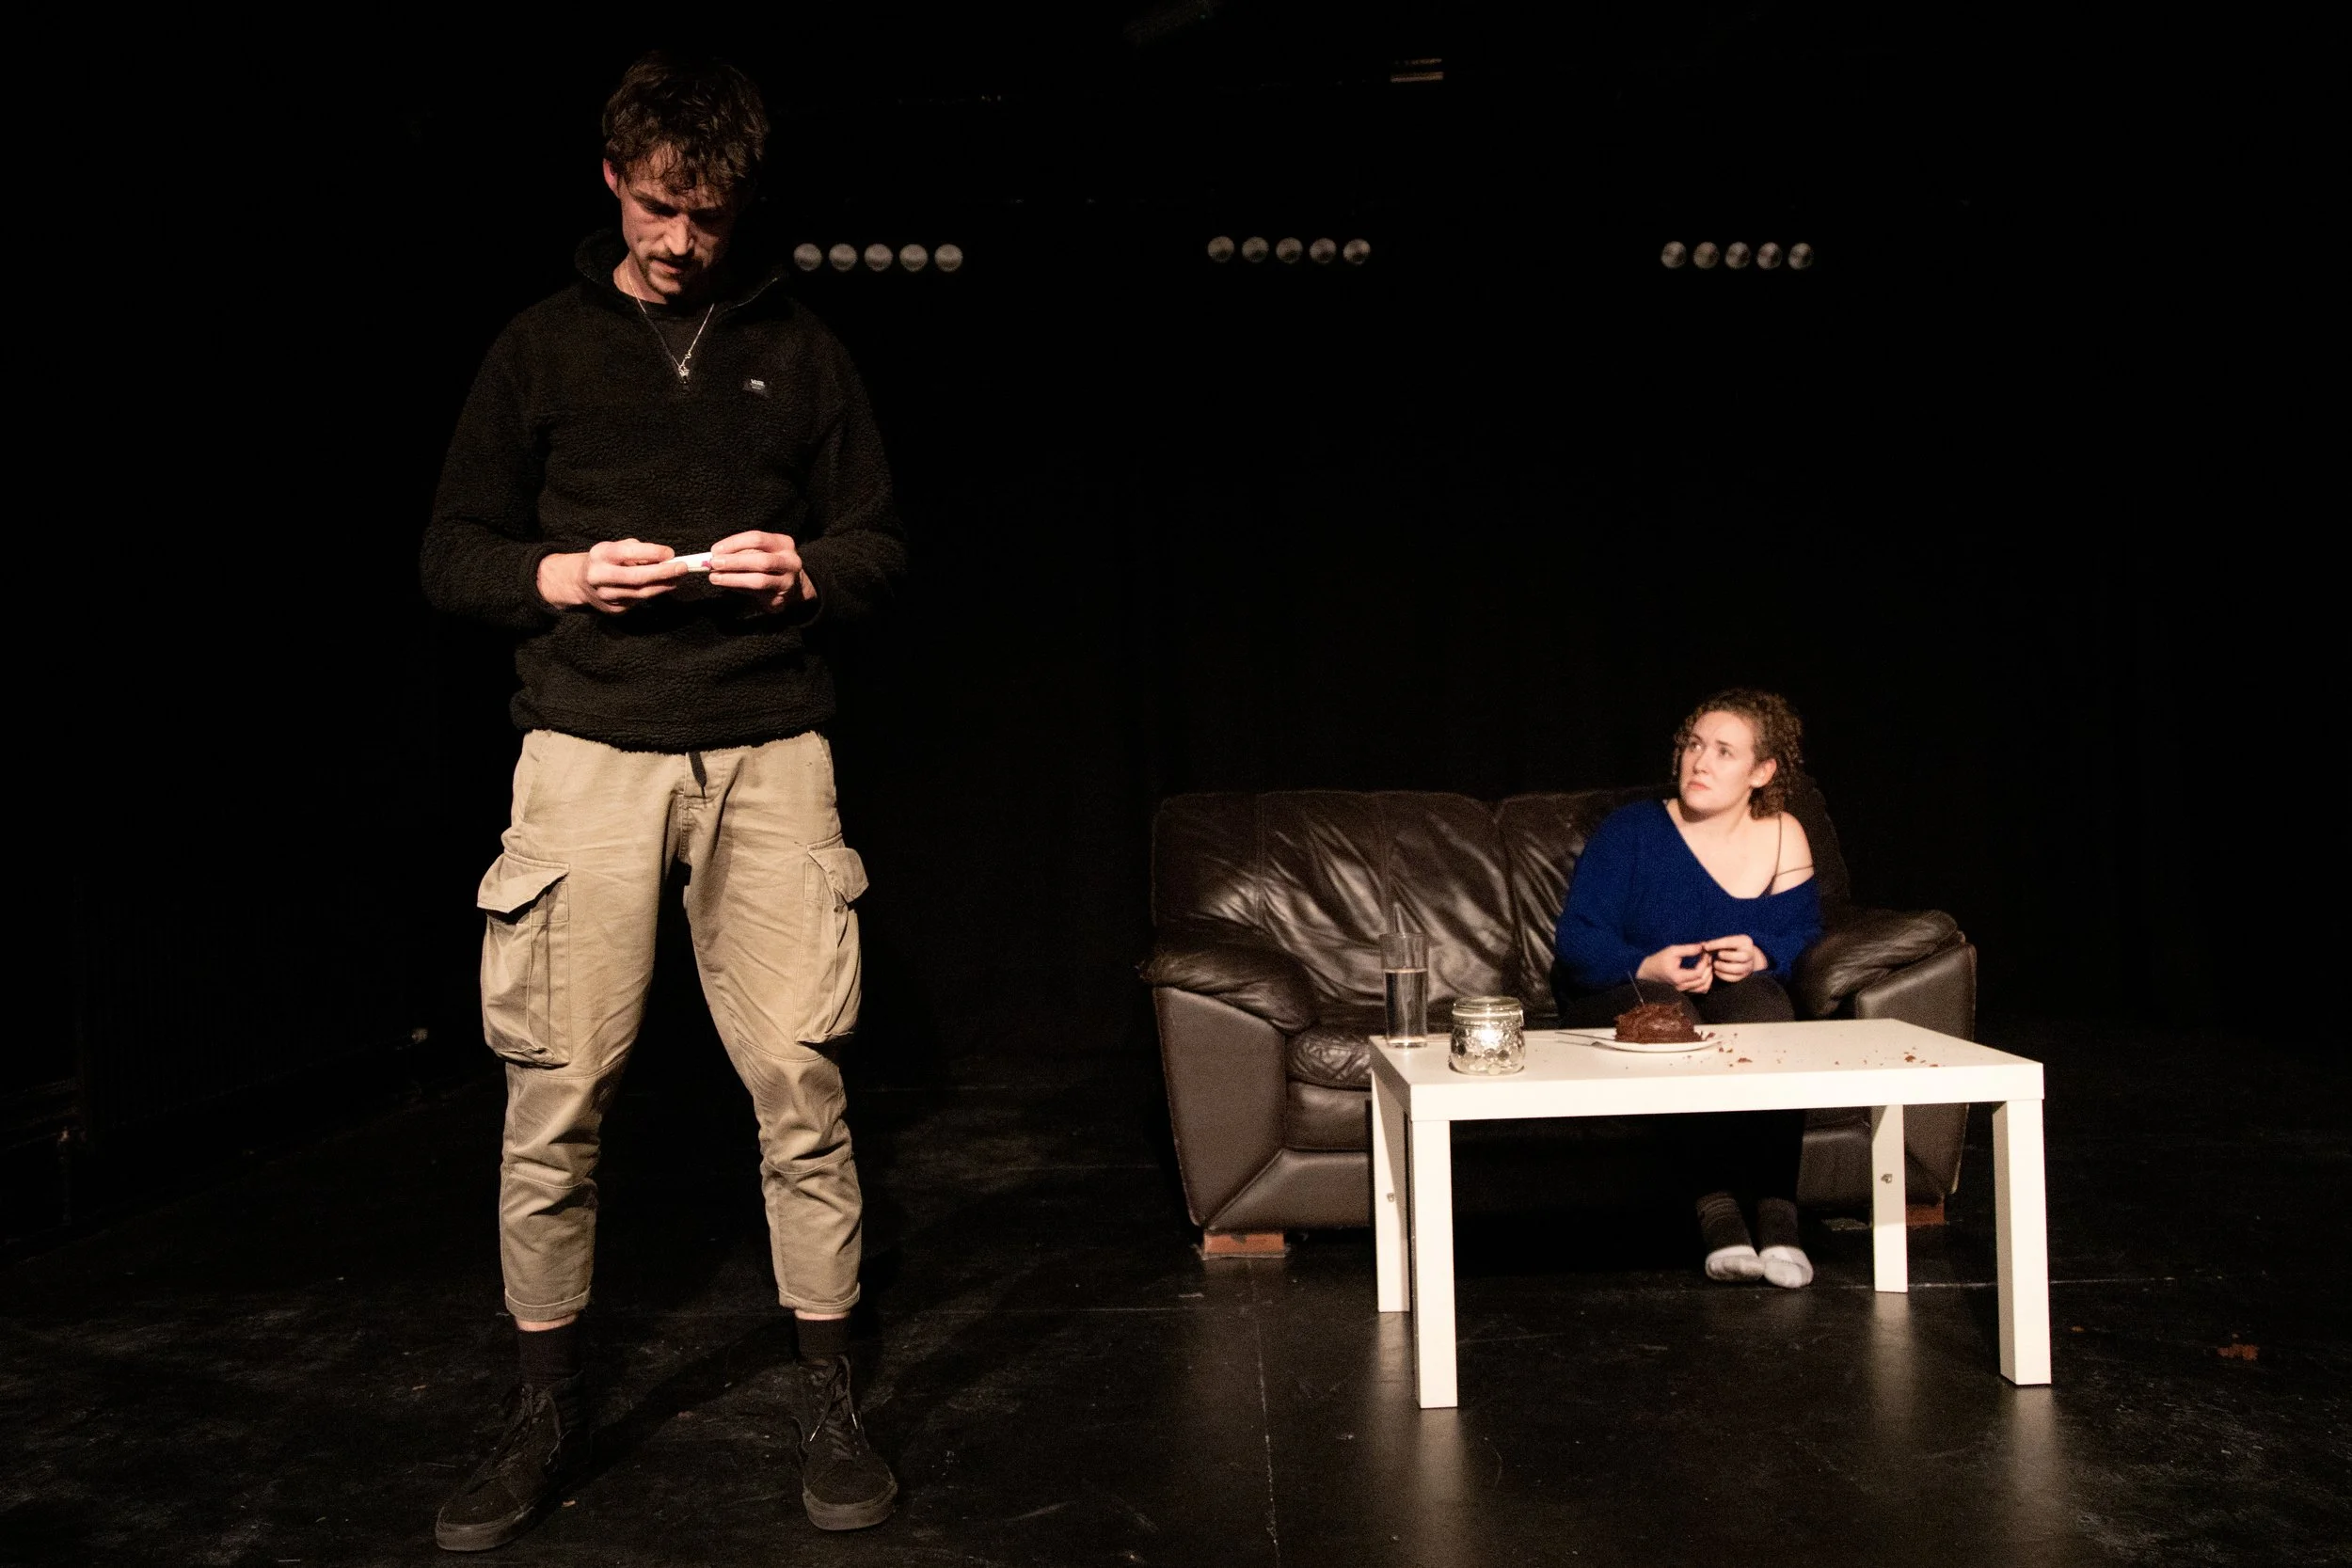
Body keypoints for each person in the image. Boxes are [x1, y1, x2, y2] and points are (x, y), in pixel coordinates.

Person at [418, 53, 909, 1551]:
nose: (679, 239)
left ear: (738, 202)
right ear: (611, 181)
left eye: (704, 213)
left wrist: (805, 567)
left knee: (802, 1085)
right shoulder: (539, 347)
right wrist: (561, 574)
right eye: (653, 206)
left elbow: (882, 543)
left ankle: (830, 1394)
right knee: (555, 1093)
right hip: (587, 748)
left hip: (770, 749)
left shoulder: (802, 350)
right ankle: (540, 1403)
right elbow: (452, 550)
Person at [1551, 689, 1823, 1289]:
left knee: (1765, 1006)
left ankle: (1779, 1216)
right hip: (1622, 991)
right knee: (1670, 1016)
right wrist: (1647, 964)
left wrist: (1762, 952)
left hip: (1724, 995)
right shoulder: (1632, 830)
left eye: (1725, 752)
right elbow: (1577, 939)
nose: (1700, 762)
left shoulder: (1784, 834)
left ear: (1761, 771)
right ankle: (1718, 1215)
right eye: (1694, 745)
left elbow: (1802, 931)